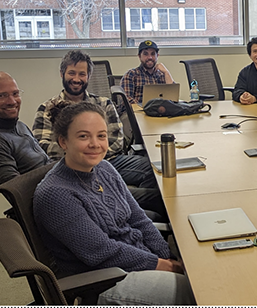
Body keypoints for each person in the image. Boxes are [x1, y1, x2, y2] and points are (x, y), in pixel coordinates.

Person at [33, 102, 195, 305]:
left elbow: (139, 220)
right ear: (63, 141)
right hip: (107, 281)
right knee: (200, 292)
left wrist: (169, 257)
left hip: (137, 261)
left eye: (101, 135)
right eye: (83, 136)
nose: (95, 144)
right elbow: (102, 252)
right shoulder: (56, 194)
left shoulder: (105, 168)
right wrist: (164, 265)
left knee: (206, 272)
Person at [32, 50, 168, 219]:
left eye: (82, 74)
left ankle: (121, 204)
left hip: (110, 163)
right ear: (62, 74)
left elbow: (117, 141)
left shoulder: (104, 104)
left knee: (154, 169)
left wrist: (91, 152)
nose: (76, 79)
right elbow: (41, 146)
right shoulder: (48, 108)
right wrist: (83, 154)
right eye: (71, 73)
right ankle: (111, 204)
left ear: (88, 76)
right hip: (72, 170)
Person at [0, 71, 50, 186]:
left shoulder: (20, 126)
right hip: (47, 198)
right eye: (1, 96)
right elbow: (16, 190)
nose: (12, 101)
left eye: (15, 93)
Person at [121, 40, 176, 105]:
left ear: (157, 56)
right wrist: (147, 108)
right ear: (139, 56)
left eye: (153, 54)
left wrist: (166, 73)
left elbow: (173, 98)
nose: (150, 57)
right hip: (138, 112)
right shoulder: (131, 75)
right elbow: (126, 101)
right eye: (145, 54)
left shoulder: (162, 75)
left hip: (160, 112)